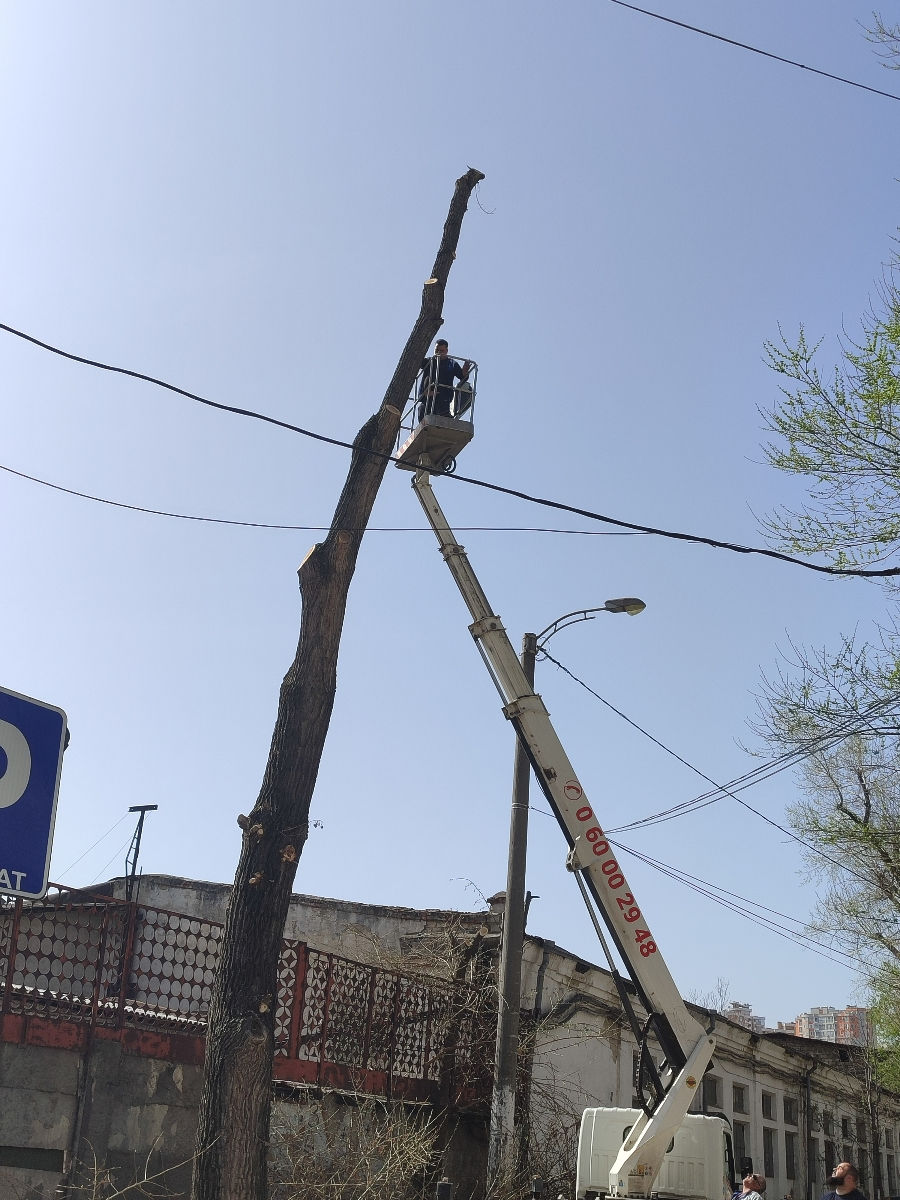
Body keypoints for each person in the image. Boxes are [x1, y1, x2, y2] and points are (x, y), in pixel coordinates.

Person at [417, 339, 472, 421]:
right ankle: (427, 393)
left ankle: (445, 414)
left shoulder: (451, 363)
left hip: (444, 397)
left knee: (443, 413)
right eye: (436, 350)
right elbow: (417, 362)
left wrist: (464, 372)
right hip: (428, 397)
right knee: (422, 410)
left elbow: (461, 376)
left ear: (446, 351)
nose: (438, 353)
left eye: (441, 351)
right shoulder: (429, 361)